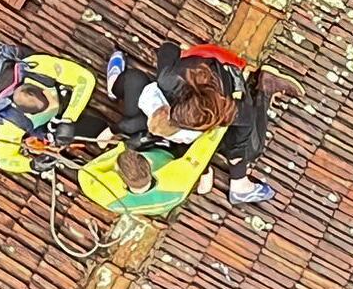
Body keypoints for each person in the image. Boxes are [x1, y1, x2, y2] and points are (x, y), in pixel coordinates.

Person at [106, 42, 303, 205]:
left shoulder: (228, 109)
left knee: (252, 149)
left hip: (224, 66)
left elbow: (245, 119)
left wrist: (236, 162)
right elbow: (168, 48)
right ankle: (114, 84)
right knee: (134, 81)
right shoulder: (168, 80)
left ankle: (265, 89)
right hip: (198, 63)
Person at [0, 19, 111, 150]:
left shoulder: (36, 66)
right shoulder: (11, 123)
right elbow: (3, 159)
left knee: (20, 53)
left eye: (51, 98)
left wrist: (69, 117)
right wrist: (33, 165)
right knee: (97, 129)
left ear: (42, 89)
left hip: (5, 68)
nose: (54, 104)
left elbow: (85, 78)